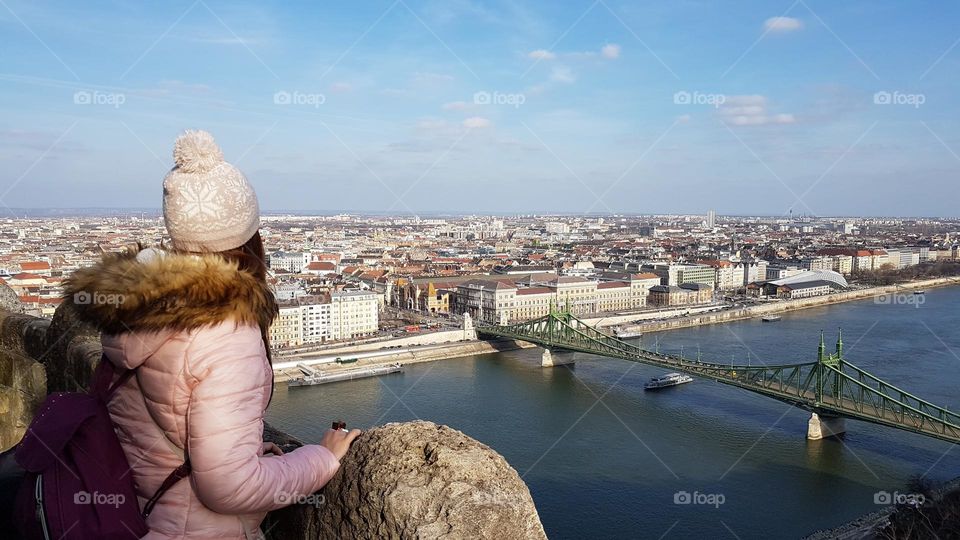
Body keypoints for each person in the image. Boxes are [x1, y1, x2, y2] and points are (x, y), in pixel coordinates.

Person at [64, 130, 359, 539]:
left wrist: (244, 454)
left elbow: (168, 428)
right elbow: (229, 489)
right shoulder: (226, 333)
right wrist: (320, 458)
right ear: (249, 237)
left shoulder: (138, 310)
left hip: (138, 515)